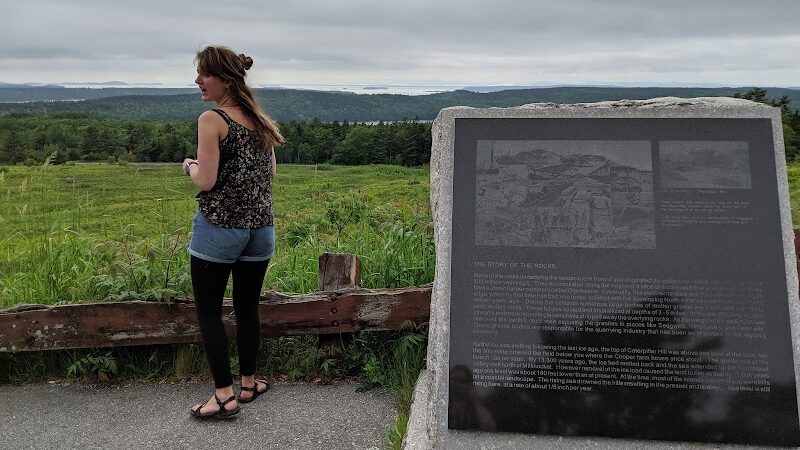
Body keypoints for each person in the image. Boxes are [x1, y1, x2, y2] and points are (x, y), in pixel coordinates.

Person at [183, 45, 284, 420]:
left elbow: (207, 182)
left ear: (225, 79)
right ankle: (248, 383)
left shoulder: (212, 119)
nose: (198, 81)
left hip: (220, 229)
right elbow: (269, 175)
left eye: (204, 74)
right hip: (260, 230)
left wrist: (189, 167)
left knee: (208, 311)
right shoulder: (260, 120)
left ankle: (223, 396)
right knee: (246, 308)